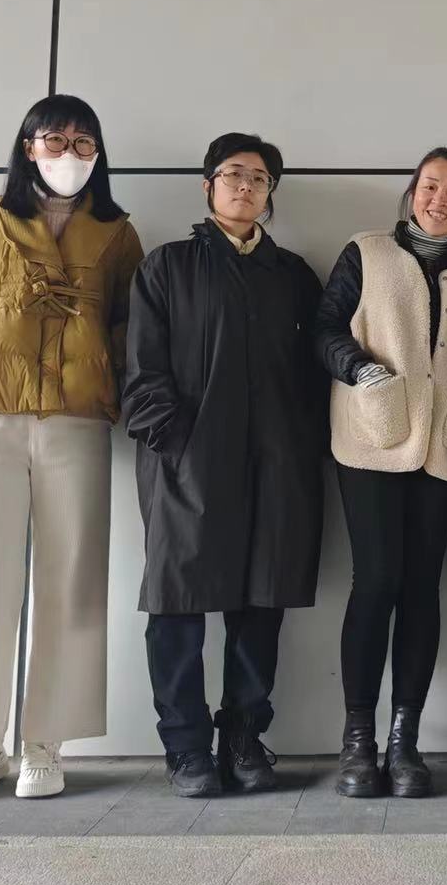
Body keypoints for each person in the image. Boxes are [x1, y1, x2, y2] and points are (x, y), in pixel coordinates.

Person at [0, 94, 143, 801]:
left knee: (71, 577)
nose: (69, 153)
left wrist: (106, 368)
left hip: (79, 420)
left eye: (83, 142)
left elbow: (136, 325)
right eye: (55, 139)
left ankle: (46, 742)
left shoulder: (116, 233)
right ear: (28, 147)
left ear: (98, 153)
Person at [123, 133, 327, 798]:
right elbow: (142, 368)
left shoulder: (292, 275)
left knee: (261, 605)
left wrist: (299, 445)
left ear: (270, 196)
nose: (246, 186)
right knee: (177, 609)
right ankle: (186, 749)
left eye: (260, 179)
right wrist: (174, 441)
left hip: (276, 465)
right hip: (186, 464)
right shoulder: (168, 266)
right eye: (234, 174)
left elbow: (313, 371)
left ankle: (243, 737)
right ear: (208, 184)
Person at [313, 147, 447, 799]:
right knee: (376, 580)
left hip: (445, 442)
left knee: (420, 589)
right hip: (371, 437)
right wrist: (360, 369)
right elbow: (324, 327)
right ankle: (357, 740)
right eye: (431, 186)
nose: (441, 200)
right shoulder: (368, 251)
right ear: (412, 191)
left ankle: (404, 743)